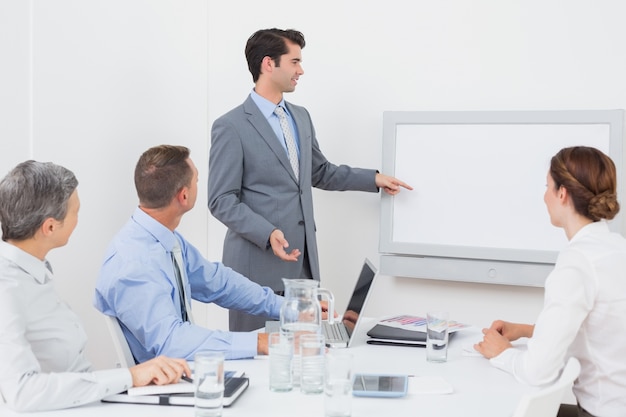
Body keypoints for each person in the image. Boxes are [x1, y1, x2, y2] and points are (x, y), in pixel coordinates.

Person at [208, 28, 413, 331]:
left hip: (302, 266)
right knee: (257, 360)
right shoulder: (231, 126)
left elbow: (320, 172)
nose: (300, 70)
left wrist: (373, 179)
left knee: (304, 356)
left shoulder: (300, 117)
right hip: (254, 269)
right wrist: (267, 233)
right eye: (294, 62)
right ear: (268, 64)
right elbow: (220, 200)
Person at [0, 161, 190, 412]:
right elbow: (22, 393)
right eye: (75, 211)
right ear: (49, 227)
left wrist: (129, 381)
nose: (79, 218)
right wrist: (129, 377)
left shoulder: (34, 272)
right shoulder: (7, 288)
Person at [94, 145, 285, 363]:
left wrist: (286, 307)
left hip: (182, 371)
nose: (198, 184)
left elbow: (217, 282)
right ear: (184, 195)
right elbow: (172, 342)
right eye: (197, 180)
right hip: (163, 385)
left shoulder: (165, 239)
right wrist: (258, 343)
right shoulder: (134, 263)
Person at [474, 146, 626, 417]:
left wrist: (502, 352)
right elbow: (600, 327)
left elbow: (537, 372)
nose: (544, 196)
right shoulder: (615, 247)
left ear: (562, 193)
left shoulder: (578, 261)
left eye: (547, 186)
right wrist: (527, 330)